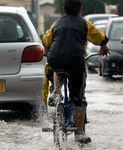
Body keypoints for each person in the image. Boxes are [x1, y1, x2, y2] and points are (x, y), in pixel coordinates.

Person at [42, 0, 110, 144]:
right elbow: (99, 37)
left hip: (55, 59)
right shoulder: (84, 23)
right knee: (78, 97)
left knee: (55, 67)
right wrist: (103, 46)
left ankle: (55, 91)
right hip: (75, 61)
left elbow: (46, 40)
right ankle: (79, 132)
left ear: (64, 10)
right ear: (80, 9)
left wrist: (49, 53)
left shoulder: (57, 23)